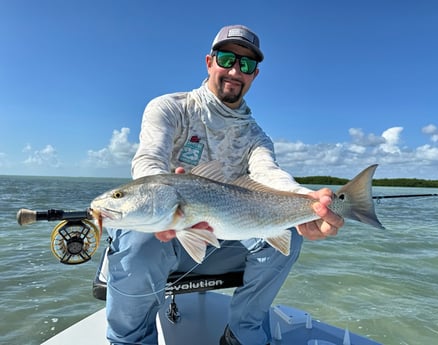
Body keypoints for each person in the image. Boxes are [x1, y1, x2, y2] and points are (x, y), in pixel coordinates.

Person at [105, 24, 344, 345]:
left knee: (289, 231)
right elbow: (149, 159)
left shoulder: (255, 135)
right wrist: (161, 190)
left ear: (254, 75)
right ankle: (130, 341)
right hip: (166, 234)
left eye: (246, 65)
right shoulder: (170, 107)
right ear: (209, 61)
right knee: (139, 237)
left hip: (219, 237)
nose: (235, 70)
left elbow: (268, 174)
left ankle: (242, 334)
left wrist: (309, 201)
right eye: (226, 58)